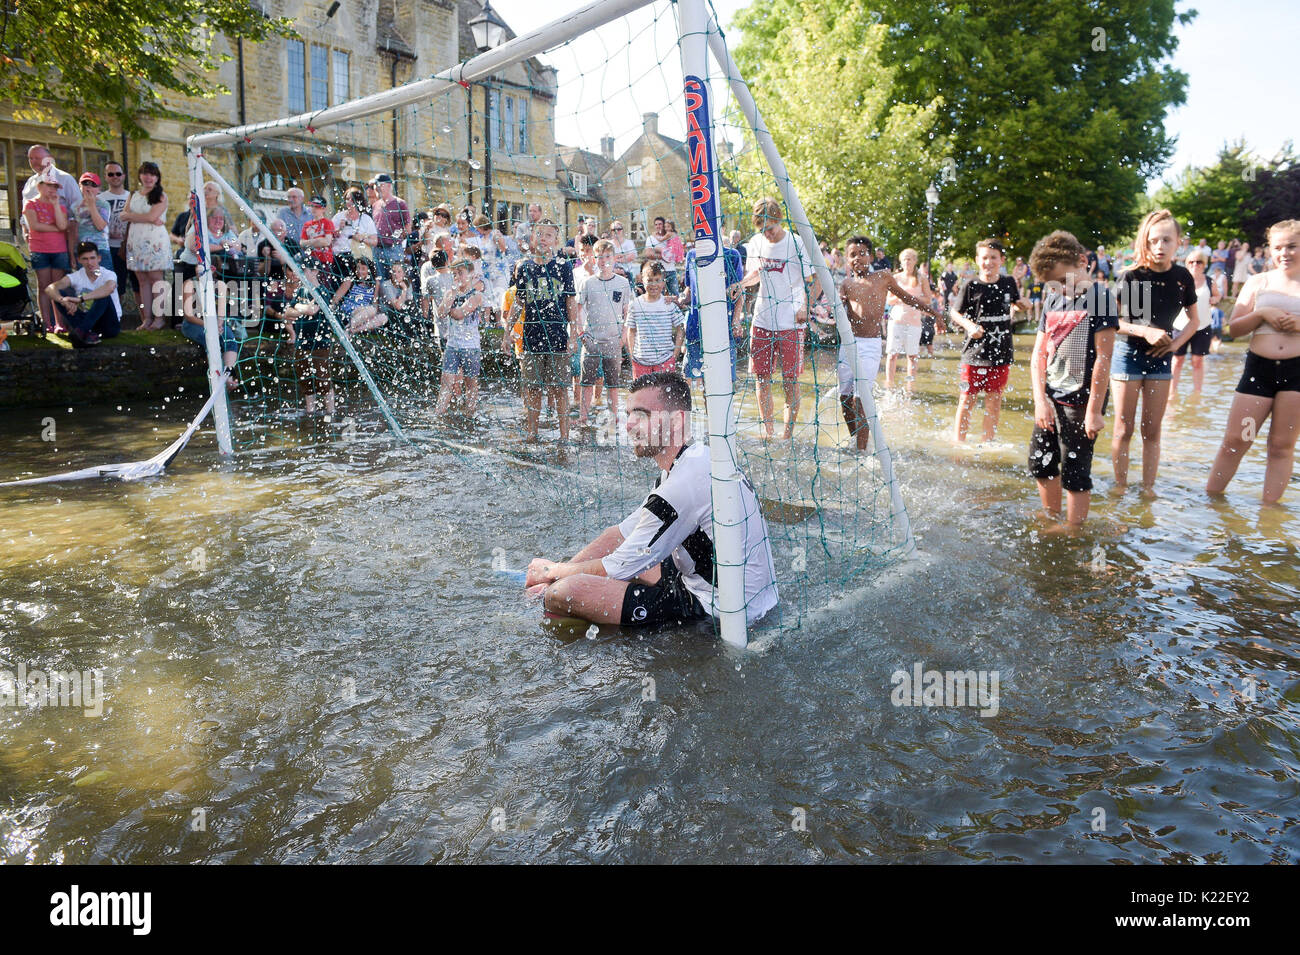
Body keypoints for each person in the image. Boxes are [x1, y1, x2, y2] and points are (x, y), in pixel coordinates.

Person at [523, 371, 778, 629]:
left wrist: (552, 573)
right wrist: (560, 569)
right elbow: (621, 534)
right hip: (738, 592)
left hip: (723, 612)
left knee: (565, 592)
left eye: (641, 414)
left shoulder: (683, 483)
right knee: (604, 565)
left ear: (677, 421)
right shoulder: (692, 461)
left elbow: (619, 566)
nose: (629, 425)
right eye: (628, 415)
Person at [1026, 231, 1118, 527]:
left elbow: (1104, 358)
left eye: (1063, 281)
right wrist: (1040, 401)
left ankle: (1074, 531)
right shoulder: (1053, 299)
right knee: (1040, 462)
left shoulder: (1101, 298)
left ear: (1082, 262)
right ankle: (1052, 518)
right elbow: (1038, 353)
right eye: (1052, 284)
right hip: (1050, 399)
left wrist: (1094, 411)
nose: (1059, 289)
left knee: (1075, 471)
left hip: (1080, 403)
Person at [1206, 220, 1300, 504]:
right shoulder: (1259, 282)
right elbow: (1232, 329)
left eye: (1292, 246)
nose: (1285, 253)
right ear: (1270, 250)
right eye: (1278, 247)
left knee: (1281, 446)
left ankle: (1268, 513)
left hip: (1296, 373)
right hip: (1259, 371)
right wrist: (1263, 314)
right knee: (1237, 440)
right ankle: (1212, 501)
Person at [1110, 209, 1199, 492]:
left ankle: (1148, 491)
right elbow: (1108, 320)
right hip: (1127, 356)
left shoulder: (1183, 277)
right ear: (1144, 243)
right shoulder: (1132, 276)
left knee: (1152, 431)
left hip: (1161, 360)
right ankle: (1120, 488)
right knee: (1124, 429)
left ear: (1178, 243)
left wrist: (1175, 344)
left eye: (1166, 240)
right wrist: (1144, 330)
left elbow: (1195, 321)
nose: (1159, 247)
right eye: (1153, 241)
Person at [834, 237, 941, 451]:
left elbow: (907, 298)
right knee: (845, 397)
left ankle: (861, 451)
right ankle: (857, 438)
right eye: (852, 254)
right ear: (847, 260)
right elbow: (839, 312)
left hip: (870, 345)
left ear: (871, 257)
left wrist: (934, 313)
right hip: (848, 345)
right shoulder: (846, 284)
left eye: (862, 253)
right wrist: (839, 305)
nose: (858, 258)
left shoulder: (883, 277)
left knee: (861, 398)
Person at [503, 218, 579, 445]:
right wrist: (507, 332)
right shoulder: (525, 267)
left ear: (556, 239)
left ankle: (564, 437)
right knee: (532, 388)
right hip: (531, 337)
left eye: (548, 235)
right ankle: (532, 433)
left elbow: (570, 303)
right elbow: (518, 301)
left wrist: (573, 335)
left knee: (560, 389)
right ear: (533, 238)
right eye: (540, 234)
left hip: (557, 337)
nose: (543, 239)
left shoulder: (563, 266)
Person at [742, 197, 810, 440]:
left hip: (790, 322)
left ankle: (787, 435)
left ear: (779, 221)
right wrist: (740, 285)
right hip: (761, 320)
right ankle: (768, 431)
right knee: (762, 379)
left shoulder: (796, 243)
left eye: (770, 229)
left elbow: (812, 280)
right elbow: (754, 275)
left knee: (790, 380)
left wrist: (805, 306)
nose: (767, 234)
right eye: (762, 230)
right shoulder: (756, 243)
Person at [949, 238, 1023, 442]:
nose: (988, 262)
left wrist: (1022, 304)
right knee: (966, 399)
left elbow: (1015, 303)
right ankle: (959, 444)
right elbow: (954, 313)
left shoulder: (1008, 282)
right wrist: (969, 326)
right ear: (977, 260)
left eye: (993, 258)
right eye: (984, 258)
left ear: (1001, 260)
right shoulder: (971, 285)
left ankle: (987, 442)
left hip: (1001, 352)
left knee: (994, 401)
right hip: (974, 353)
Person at [574, 238, 632, 428]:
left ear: (614, 258)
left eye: (608, 256)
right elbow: (578, 309)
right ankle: (583, 416)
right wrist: (581, 334)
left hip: (613, 340)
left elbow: (627, 312)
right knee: (586, 382)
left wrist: (623, 336)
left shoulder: (623, 283)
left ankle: (614, 416)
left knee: (613, 383)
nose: (603, 260)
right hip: (591, 340)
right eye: (599, 257)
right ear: (594, 259)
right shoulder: (588, 283)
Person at [284, 255, 337, 417]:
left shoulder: (323, 292)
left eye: (304, 270)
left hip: (321, 342)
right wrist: (302, 307)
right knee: (304, 377)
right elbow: (287, 313)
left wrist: (299, 308)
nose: (300, 273)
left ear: (314, 272)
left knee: (322, 377)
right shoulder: (301, 291)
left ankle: (331, 410)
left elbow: (313, 310)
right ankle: (310, 411)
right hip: (302, 342)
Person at [121, 162, 171, 330]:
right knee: (142, 280)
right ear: (140, 176)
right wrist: (142, 217)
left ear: (157, 177)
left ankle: (159, 318)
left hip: (154, 240)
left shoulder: (161, 195)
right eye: (145, 173)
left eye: (152, 174)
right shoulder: (133, 194)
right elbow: (122, 215)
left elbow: (152, 217)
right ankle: (147, 318)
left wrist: (132, 216)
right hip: (135, 240)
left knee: (156, 279)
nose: (148, 177)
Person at [434, 259, 486, 419]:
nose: (457, 277)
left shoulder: (476, 296)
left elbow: (459, 314)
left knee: (471, 383)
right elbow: (440, 313)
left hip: (470, 347)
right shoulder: (450, 293)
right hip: (452, 345)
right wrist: (452, 295)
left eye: (460, 273)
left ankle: (471, 413)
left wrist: (449, 303)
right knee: (446, 382)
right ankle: (439, 414)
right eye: (454, 274)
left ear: (470, 274)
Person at [43, 242, 122, 347]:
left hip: (108, 324)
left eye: (92, 258)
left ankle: (81, 331)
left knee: (104, 296)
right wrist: (63, 300)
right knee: (59, 295)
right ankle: (83, 332)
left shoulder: (108, 274)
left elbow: (109, 288)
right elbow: (50, 288)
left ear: (99, 258)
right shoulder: (77, 276)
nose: (90, 262)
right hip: (85, 320)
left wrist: (81, 299)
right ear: (79, 260)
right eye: (85, 259)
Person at [1168, 249, 1221, 400]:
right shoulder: (1179, 280)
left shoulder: (1209, 281)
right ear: (1186, 264)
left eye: (1199, 262)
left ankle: (1197, 393)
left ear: (1204, 264)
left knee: (1197, 361)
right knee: (1177, 360)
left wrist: (1215, 299)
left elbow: (1217, 295)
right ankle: (1172, 392)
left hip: (1202, 326)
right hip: (1181, 326)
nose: (1195, 265)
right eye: (1191, 262)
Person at [23, 168, 71, 332]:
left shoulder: (61, 206)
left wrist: (56, 205)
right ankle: (46, 323)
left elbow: (63, 226)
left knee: (56, 286)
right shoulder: (31, 204)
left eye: (55, 187)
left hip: (58, 249)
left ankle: (59, 324)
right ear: (40, 186)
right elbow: (34, 225)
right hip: (39, 249)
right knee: (44, 285)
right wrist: (56, 228)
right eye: (49, 185)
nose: (52, 189)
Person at [883, 249, 937, 389]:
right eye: (905, 259)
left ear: (915, 261)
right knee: (892, 354)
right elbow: (889, 300)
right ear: (901, 262)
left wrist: (912, 299)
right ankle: (889, 384)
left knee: (912, 356)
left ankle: (910, 386)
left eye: (910, 259)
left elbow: (928, 299)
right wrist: (902, 297)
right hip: (896, 320)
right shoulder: (896, 278)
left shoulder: (921, 278)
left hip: (914, 321)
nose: (907, 261)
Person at [627, 260, 684, 379]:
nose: (654, 284)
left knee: (663, 395)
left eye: (658, 280)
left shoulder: (668, 304)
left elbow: (681, 328)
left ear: (663, 282)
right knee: (641, 395)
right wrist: (632, 354)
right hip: (640, 360)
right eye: (649, 280)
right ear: (642, 280)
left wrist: (675, 353)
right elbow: (631, 331)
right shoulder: (635, 304)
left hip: (665, 359)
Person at [100, 161, 134, 311]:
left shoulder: (132, 196)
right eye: (111, 174)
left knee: (136, 284)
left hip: (130, 247)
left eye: (118, 173)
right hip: (108, 247)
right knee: (112, 284)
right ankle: (113, 316)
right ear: (106, 177)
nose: (115, 177)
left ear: (124, 176)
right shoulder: (100, 198)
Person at [330, 253, 385, 334]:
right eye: (358, 268)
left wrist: (371, 315)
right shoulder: (350, 281)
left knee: (383, 318)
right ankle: (350, 326)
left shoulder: (375, 284)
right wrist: (332, 315)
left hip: (365, 314)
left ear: (369, 271)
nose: (359, 271)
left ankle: (351, 330)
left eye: (363, 269)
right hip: (350, 312)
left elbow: (375, 303)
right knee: (371, 310)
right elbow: (335, 300)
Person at [371, 174, 410, 278]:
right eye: (375, 185)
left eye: (379, 185)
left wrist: (394, 238)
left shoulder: (400, 204)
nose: (376, 188)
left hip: (394, 250)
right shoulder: (375, 205)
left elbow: (407, 228)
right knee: (380, 282)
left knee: (395, 281)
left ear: (389, 185)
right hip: (377, 249)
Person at [71, 173, 112, 266]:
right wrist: (72, 254)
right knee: (84, 280)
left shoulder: (104, 204)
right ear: (80, 186)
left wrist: (91, 204)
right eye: (85, 184)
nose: (88, 187)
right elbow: (73, 232)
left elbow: (100, 226)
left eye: (93, 185)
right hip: (82, 250)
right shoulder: (74, 207)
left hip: (100, 249)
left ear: (98, 189)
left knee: (105, 279)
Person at [331, 187, 378, 261]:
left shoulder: (366, 219)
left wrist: (361, 239)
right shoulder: (338, 217)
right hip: (338, 257)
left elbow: (375, 242)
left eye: (352, 199)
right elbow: (329, 238)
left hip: (358, 259)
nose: (349, 201)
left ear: (358, 201)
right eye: (347, 199)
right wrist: (339, 229)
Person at [298, 194, 338, 279]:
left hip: (325, 260)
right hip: (311, 260)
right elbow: (301, 243)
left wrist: (310, 242)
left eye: (317, 207)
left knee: (323, 287)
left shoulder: (327, 223)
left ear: (324, 209)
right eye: (312, 206)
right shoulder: (307, 224)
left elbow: (327, 242)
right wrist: (318, 241)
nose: (314, 209)